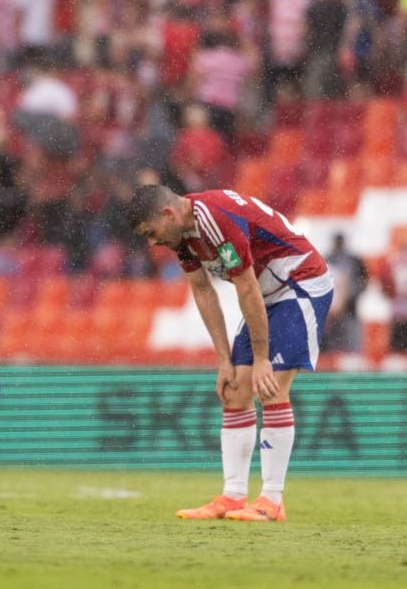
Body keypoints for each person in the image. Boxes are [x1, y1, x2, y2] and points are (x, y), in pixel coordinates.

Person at [124, 184, 334, 523]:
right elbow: (203, 290)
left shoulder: (215, 220)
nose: (152, 243)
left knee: (270, 386)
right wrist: (223, 359)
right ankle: (233, 496)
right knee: (235, 389)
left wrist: (262, 358)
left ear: (168, 214)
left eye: (152, 233)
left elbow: (246, 286)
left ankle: (272, 500)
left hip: (300, 284)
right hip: (268, 295)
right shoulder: (183, 237)